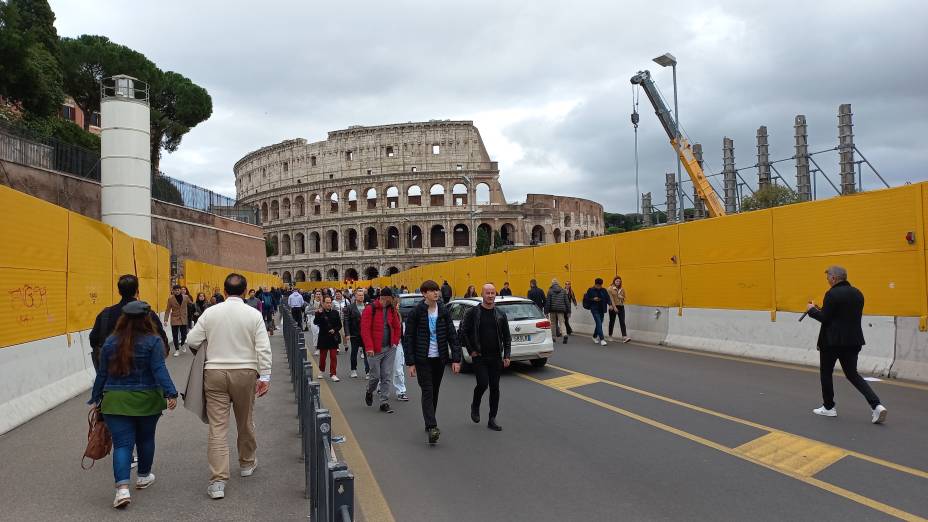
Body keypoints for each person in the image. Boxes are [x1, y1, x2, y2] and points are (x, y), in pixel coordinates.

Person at [186, 273, 272, 500]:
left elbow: (192, 340)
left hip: (214, 373)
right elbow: (263, 347)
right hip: (245, 372)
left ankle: (218, 481)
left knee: (218, 428)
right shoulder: (253, 314)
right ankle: (246, 463)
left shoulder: (210, 312)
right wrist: (265, 376)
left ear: (224, 292)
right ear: (245, 292)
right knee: (245, 420)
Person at [88, 300, 178, 509]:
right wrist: (170, 392)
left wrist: (96, 397)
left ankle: (122, 490)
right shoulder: (153, 341)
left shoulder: (110, 342)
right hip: (147, 399)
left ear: (123, 319)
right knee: (146, 439)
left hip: (116, 401)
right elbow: (159, 370)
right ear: (146, 319)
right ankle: (144, 476)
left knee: (122, 444)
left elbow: (102, 374)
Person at [807, 266, 887, 424]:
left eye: (828, 277)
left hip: (832, 342)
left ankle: (829, 408)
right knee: (852, 374)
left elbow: (825, 318)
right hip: (853, 341)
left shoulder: (831, 294)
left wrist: (811, 310)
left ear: (834, 278)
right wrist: (822, 310)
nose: (827, 280)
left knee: (826, 373)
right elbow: (842, 315)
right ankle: (876, 405)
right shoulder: (858, 294)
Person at [403, 280, 462, 444]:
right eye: (432, 290)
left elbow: (452, 335)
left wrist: (456, 359)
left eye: (437, 290)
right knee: (427, 390)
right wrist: (410, 363)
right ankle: (432, 426)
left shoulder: (443, 310)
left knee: (434, 391)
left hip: (440, 358)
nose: (436, 293)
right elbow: (409, 338)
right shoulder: (416, 312)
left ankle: (429, 421)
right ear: (424, 293)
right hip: (423, 359)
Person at [459, 283, 511, 432]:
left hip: (496, 357)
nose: (490, 296)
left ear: (495, 294)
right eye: (487, 293)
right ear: (482, 294)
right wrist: (471, 350)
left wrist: (507, 355)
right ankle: (475, 405)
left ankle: (492, 419)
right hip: (479, 356)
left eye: (492, 293)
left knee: (495, 388)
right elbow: (463, 332)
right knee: (482, 384)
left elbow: (507, 337)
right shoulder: (473, 312)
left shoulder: (500, 314)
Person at [90, 274, 169, 371]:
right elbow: (163, 342)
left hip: (112, 375)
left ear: (119, 292)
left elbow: (93, 340)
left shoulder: (105, 314)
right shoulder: (148, 314)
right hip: (143, 376)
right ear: (137, 291)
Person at [361, 288, 403, 413]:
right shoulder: (370, 309)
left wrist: (395, 342)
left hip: (389, 349)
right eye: (392, 297)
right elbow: (365, 330)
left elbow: (397, 326)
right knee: (375, 376)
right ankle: (369, 391)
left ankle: (384, 402)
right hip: (374, 350)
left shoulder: (392, 309)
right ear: (385, 297)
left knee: (386, 375)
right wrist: (368, 347)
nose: (394, 300)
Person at [314, 295, 343, 381]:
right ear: (323, 303)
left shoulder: (335, 313)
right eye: (327, 303)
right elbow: (315, 322)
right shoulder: (320, 313)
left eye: (330, 302)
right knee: (323, 357)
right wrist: (318, 314)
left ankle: (333, 374)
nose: (329, 304)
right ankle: (321, 370)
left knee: (333, 357)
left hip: (333, 338)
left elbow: (339, 325)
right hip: (323, 338)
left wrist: (334, 330)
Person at [343, 288, 371, 379]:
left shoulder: (368, 307)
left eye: (362, 295)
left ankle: (368, 371)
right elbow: (346, 321)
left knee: (367, 353)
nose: (361, 297)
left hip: (366, 334)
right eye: (359, 295)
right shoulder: (350, 307)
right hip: (355, 334)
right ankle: (353, 370)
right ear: (355, 296)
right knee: (354, 352)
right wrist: (347, 333)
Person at [164, 285, 191, 357]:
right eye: (175, 290)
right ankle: (177, 350)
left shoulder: (186, 297)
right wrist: (165, 320)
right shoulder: (170, 299)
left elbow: (191, 304)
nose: (177, 291)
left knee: (184, 334)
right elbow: (167, 310)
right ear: (173, 291)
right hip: (174, 318)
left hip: (183, 317)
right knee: (175, 335)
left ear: (180, 290)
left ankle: (182, 343)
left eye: (178, 290)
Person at [583, 278, 610, 346]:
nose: (599, 287)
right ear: (595, 284)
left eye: (600, 285)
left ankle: (594, 336)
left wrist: (610, 305)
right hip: (594, 309)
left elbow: (607, 298)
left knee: (599, 323)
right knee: (599, 322)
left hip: (602, 309)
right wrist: (593, 299)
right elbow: (587, 299)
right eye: (597, 285)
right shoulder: (590, 290)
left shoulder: (604, 290)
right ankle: (602, 339)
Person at [545, 278, 571, 344]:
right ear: (558, 283)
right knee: (562, 322)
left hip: (552, 310)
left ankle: (553, 337)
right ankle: (564, 334)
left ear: (552, 283)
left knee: (553, 323)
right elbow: (567, 301)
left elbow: (548, 302)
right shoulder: (563, 290)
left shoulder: (550, 291)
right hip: (561, 310)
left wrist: (546, 312)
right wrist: (569, 311)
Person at [607, 276, 630, 343]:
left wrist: (621, 297)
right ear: (614, 281)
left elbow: (625, 299)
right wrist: (614, 307)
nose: (618, 282)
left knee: (622, 321)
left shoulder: (622, 289)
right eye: (617, 281)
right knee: (612, 322)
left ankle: (624, 337)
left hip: (621, 306)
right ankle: (610, 336)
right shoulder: (610, 289)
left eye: (619, 281)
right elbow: (611, 299)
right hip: (613, 307)